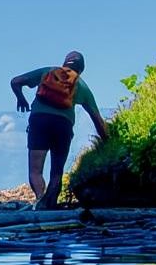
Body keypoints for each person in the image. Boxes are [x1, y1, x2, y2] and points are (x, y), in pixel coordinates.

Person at [10, 51, 108, 209]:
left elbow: (15, 82)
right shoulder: (81, 86)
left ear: (64, 63)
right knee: (57, 172)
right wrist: (107, 141)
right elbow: (97, 120)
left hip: (39, 121)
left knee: (35, 170)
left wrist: (21, 99)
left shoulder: (47, 72)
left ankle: (40, 199)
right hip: (63, 126)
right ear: (81, 69)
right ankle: (51, 204)